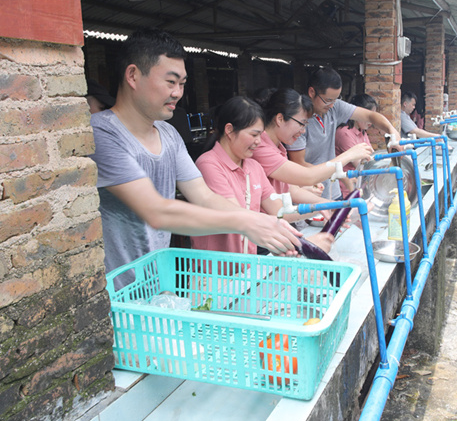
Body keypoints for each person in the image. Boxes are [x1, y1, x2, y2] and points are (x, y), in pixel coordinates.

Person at [89, 28, 299, 289]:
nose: (178, 92)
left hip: (158, 281)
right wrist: (246, 221)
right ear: (133, 75)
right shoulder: (101, 132)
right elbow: (156, 212)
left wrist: (265, 223)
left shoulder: (168, 134)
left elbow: (205, 197)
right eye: (170, 81)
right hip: (116, 288)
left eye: (183, 83)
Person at [193, 96, 334, 255]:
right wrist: (300, 244)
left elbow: (280, 211)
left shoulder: (254, 167)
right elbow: (235, 215)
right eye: (254, 135)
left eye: (261, 135)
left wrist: (323, 208)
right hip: (215, 272)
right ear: (229, 130)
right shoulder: (209, 165)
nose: (259, 142)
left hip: (247, 267)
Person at [286, 67, 401, 200]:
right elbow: (300, 164)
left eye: (336, 99)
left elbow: (370, 115)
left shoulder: (334, 108)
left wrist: (393, 131)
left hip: (334, 191)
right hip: (309, 194)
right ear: (312, 92)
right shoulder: (299, 122)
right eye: (328, 100)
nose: (331, 105)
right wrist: (340, 168)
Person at [252, 88, 372, 206]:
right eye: (301, 123)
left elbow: (291, 189)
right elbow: (309, 176)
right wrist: (350, 155)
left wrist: (330, 205)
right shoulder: (261, 148)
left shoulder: (279, 148)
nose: (303, 131)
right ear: (280, 119)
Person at [335, 93, 378, 195]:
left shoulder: (362, 131)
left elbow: (371, 155)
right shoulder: (344, 133)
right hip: (346, 189)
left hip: (359, 184)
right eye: (368, 116)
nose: (370, 121)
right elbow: (361, 164)